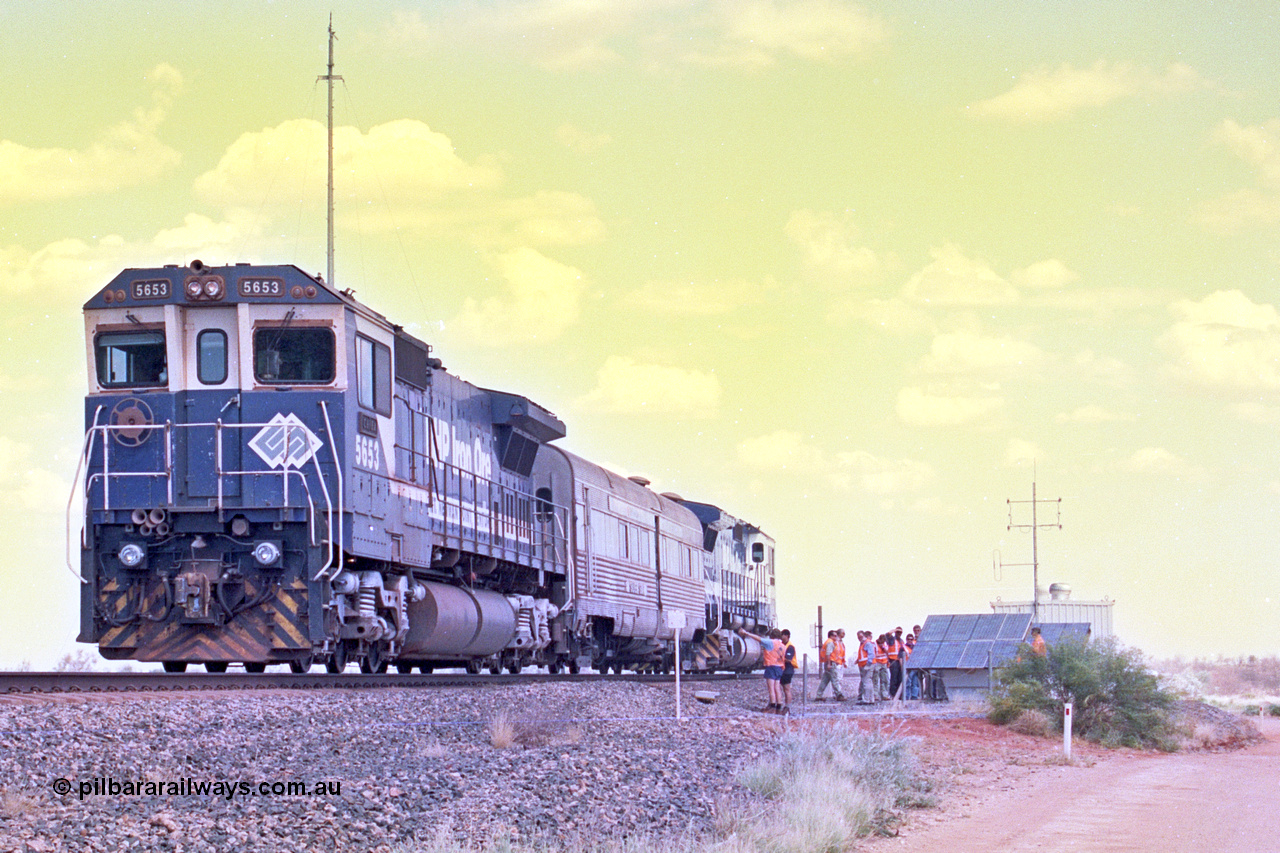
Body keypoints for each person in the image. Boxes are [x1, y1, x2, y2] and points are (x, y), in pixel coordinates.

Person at [740, 626, 786, 713]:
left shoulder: (770, 642)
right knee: (777, 688)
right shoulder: (783, 646)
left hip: (771, 667)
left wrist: (746, 633)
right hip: (779, 668)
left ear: (771, 635)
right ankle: (779, 707)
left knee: (771, 688)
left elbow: (759, 639)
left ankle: (772, 707)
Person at [813, 629, 846, 702]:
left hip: (828, 663)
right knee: (835, 679)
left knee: (825, 680)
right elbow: (828, 653)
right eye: (834, 635)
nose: (836, 637)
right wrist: (829, 664)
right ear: (830, 636)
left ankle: (819, 695)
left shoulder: (827, 642)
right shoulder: (831, 643)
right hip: (831, 663)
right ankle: (839, 695)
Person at [857, 630, 877, 704]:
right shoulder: (864, 643)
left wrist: (868, 664)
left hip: (867, 665)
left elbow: (871, 654)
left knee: (866, 682)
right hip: (866, 664)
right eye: (858, 637)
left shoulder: (867, 643)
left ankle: (866, 699)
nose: (859, 638)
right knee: (869, 681)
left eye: (861, 636)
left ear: (864, 635)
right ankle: (871, 699)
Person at [780, 629, 798, 708]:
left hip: (788, 669)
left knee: (786, 689)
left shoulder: (790, 647)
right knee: (782, 688)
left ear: (786, 636)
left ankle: (788, 706)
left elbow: (788, 659)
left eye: (782, 635)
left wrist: (778, 658)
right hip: (783, 669)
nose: (781, 637)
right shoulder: (782, 645)